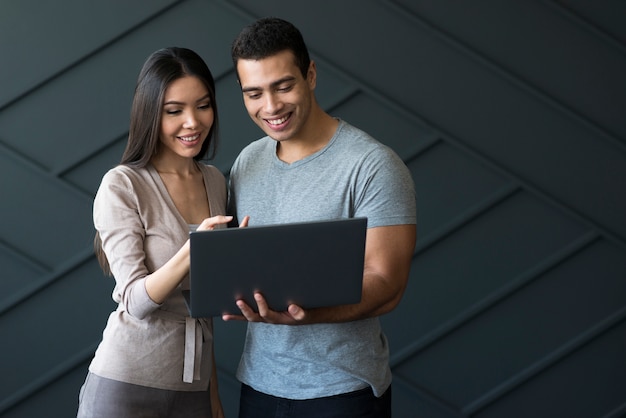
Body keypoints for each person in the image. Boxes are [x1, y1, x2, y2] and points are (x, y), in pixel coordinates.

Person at [224, 17, 417, 418]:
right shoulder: (247, 162)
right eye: (254, 93)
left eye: (283, 86)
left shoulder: (373, 165)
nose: (271, 107)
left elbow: (387, 283)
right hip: (259, 386)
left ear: (310, 75)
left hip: (343, 392)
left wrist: (300, 314)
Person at [77, 47, 247, 418]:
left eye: (203, 106)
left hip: (195, 390)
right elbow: (136, 302)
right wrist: (195, 248)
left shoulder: (215, 182)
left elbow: (203, 310)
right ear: (151, 114)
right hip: (126, 385)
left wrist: (213, 398)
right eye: (174, 111)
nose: (193, 122)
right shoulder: (123, 185)